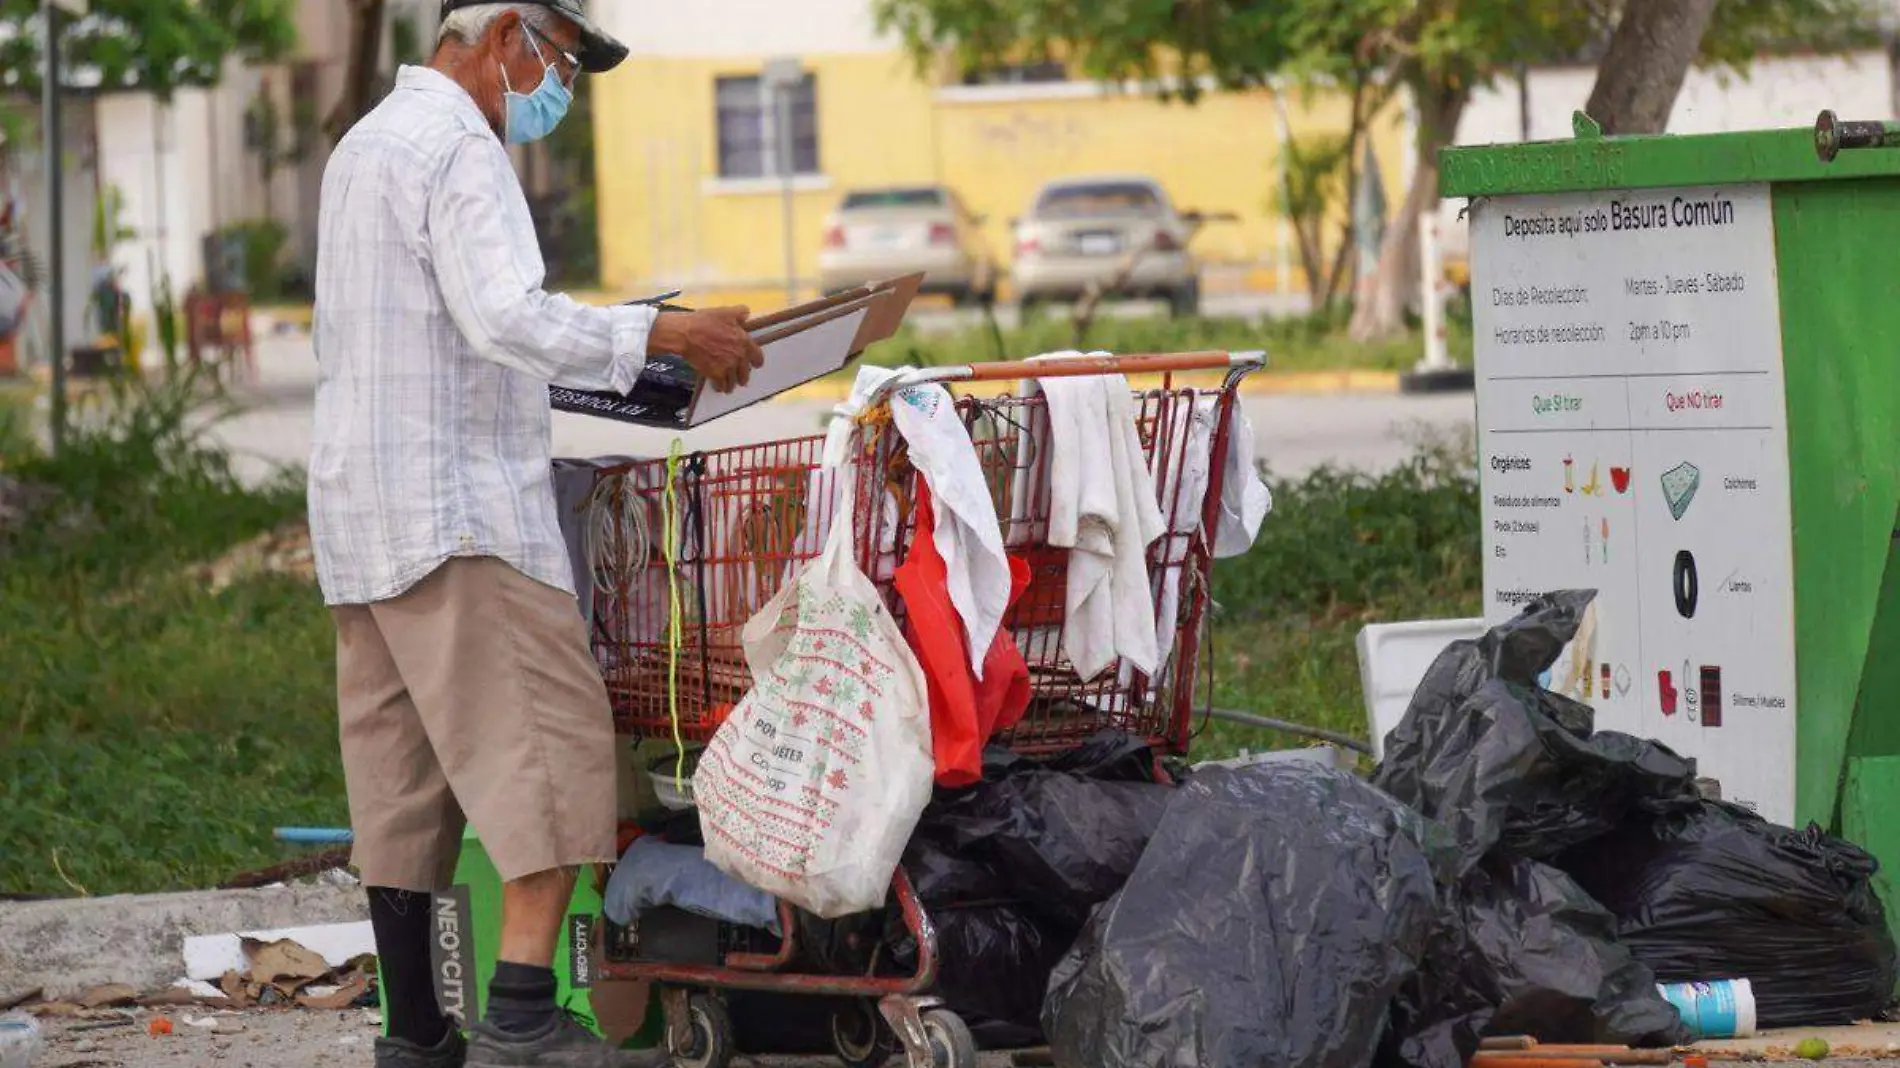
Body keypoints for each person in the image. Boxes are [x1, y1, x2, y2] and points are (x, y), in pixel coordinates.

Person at [309, 2, 764, 1066]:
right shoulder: (462, 147)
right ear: (505, 32)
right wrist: (658, 330)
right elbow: (506, 315)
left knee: (400, 785)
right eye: (560, 60)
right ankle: (519, 1012)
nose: (559, 88)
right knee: (554, 746)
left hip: (363, 519)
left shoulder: (366, 144)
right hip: (459, 513)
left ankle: (415, 1035)